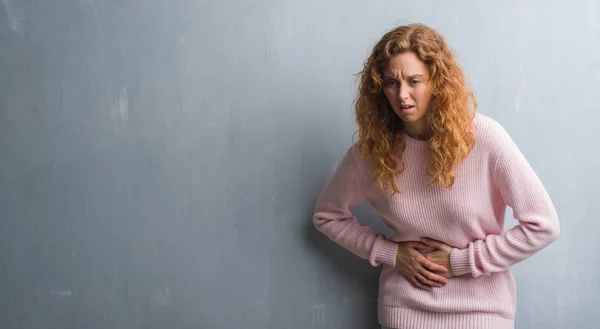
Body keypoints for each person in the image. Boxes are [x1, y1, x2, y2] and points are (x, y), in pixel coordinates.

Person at [312, 23, 560, 329]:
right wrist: (391, 253)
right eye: (391, 82)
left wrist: (461, 262)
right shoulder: (372, 151)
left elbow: (543, 226)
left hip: (482, 313)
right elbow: (327, 216)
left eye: (414, 81)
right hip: (406, 311)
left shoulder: (485, 138)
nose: (402, 95)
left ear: (438, 82)